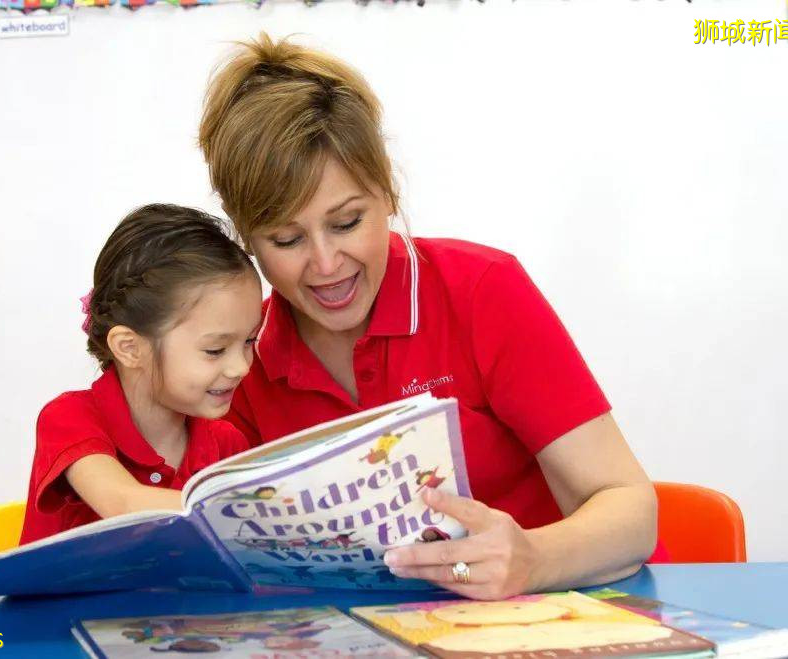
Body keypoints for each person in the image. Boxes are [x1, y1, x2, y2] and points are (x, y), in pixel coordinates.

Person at [198, 34, 662, 599]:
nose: (324, 264)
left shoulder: (480, 290)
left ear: (387, 191)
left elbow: (632, 510)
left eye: (346, 223)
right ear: (247, 239)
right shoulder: (237, 359)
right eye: (286, 238)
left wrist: (534, 559)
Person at [20, 204, 262, 543]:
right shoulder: (69, 418)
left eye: (250, 340)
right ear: (130, 348)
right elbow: (123, 502)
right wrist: (263, 516)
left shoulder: (227, 444)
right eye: (215, 350)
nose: (241, 366)